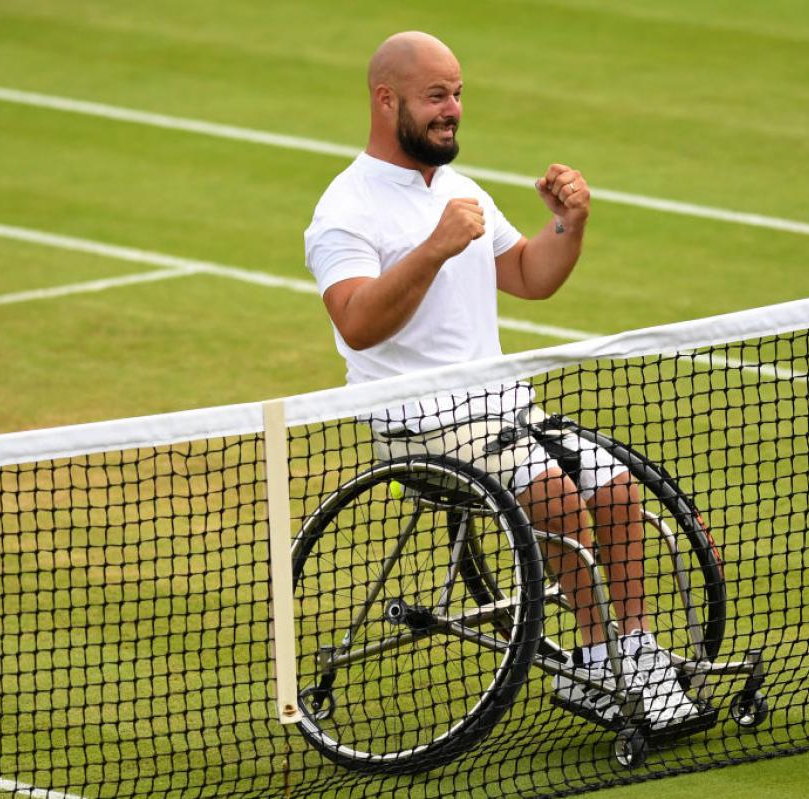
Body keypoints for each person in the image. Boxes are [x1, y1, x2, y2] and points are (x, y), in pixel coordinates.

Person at [304, 31, 705, 731]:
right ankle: (592, 659)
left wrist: (568, 226)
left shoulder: (462, 191)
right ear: (385, 98)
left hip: (502, 411)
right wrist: (433, 247)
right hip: (415, 428)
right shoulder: (344, 210)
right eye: (436, 96)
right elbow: (358, 323)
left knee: (614, 487)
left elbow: (527, 273)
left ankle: (632, 649)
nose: (452, 109)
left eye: (457, 94)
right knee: (551, 491)